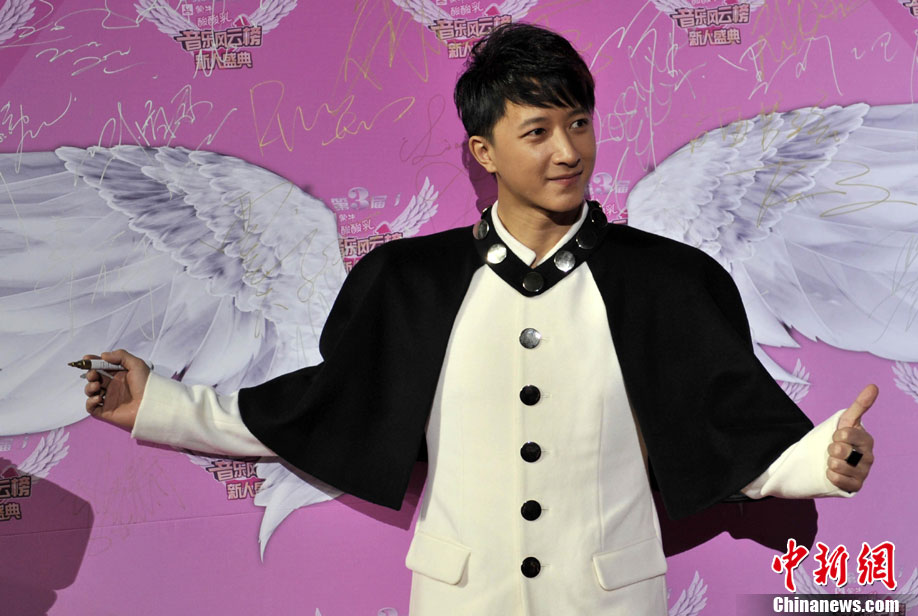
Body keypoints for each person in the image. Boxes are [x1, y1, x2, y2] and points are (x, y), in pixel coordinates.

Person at [82, 23, 876, 615]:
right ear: (483, 151)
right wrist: (157, 404)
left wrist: (824, 462)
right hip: (460, 599)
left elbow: (729, 434)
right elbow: (317, 410)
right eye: (537, 132)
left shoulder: (666, 281)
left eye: (579, 123)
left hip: (610, 601)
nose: (566, 151)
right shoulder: (408, 282)